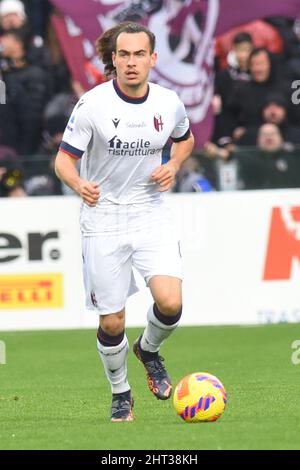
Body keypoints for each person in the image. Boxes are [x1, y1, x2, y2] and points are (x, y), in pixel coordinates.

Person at [54, 22, 194, 422]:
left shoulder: (168, 103)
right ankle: (121, 394)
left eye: (139, 55)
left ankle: (148, 349)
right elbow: (63, 160)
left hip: (151, 212)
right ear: (112, 60)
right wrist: (80, 183)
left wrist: (175, 164)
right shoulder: (93, 106)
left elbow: (185, 139)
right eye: (123, 55)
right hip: (104, 219)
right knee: (112, 321)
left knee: (171, 302)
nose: (131, 63)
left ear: (153, 59)